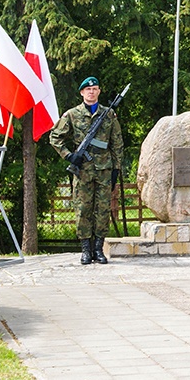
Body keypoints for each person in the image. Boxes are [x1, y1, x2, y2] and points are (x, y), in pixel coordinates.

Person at [49, 76, 124, 265]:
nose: (92, 92)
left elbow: (117, 143)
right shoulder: (72, 115)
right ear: (82, 92)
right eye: (88, 89)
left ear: (99, 92)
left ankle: (98, 249)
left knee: (102, 210)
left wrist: (116, 168)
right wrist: (69, 155)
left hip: (104, 170)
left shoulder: (108, 115)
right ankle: (85, 250)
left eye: (95, 89)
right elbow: (55, 137)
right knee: (83, 210)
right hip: (82, 171)